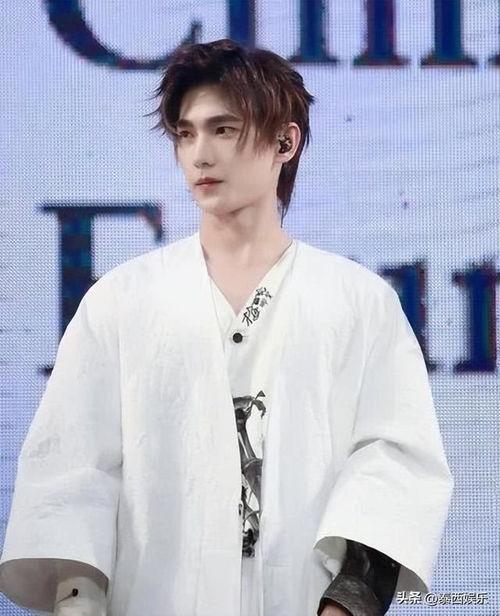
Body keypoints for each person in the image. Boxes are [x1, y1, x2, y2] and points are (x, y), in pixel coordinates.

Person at [0, 39, 453, 616]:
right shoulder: (122, 300)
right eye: (185, 134)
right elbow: (74, 469)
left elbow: (395, 461)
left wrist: (347, 604)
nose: (200, 155)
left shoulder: (359, 303)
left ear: (284, 142)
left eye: (223, 130)